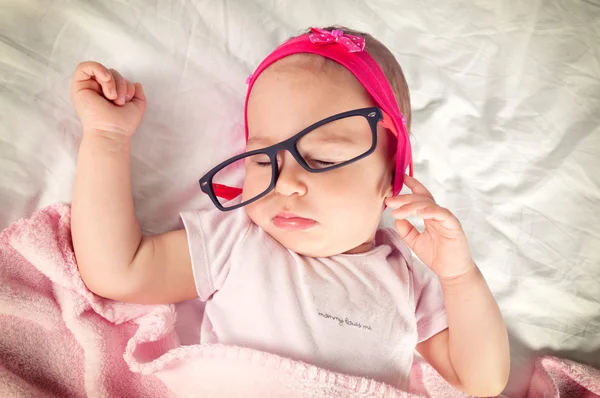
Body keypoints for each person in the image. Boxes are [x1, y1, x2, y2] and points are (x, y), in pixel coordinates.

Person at [70, 26, 509, 395]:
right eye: (263, 160)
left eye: (321, 160)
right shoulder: (236, 241)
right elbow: (118, 271)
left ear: (392, 176)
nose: (286, 183)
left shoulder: (405, 274)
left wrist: (458, 276)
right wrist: (107, 136)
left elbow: (481, 379)